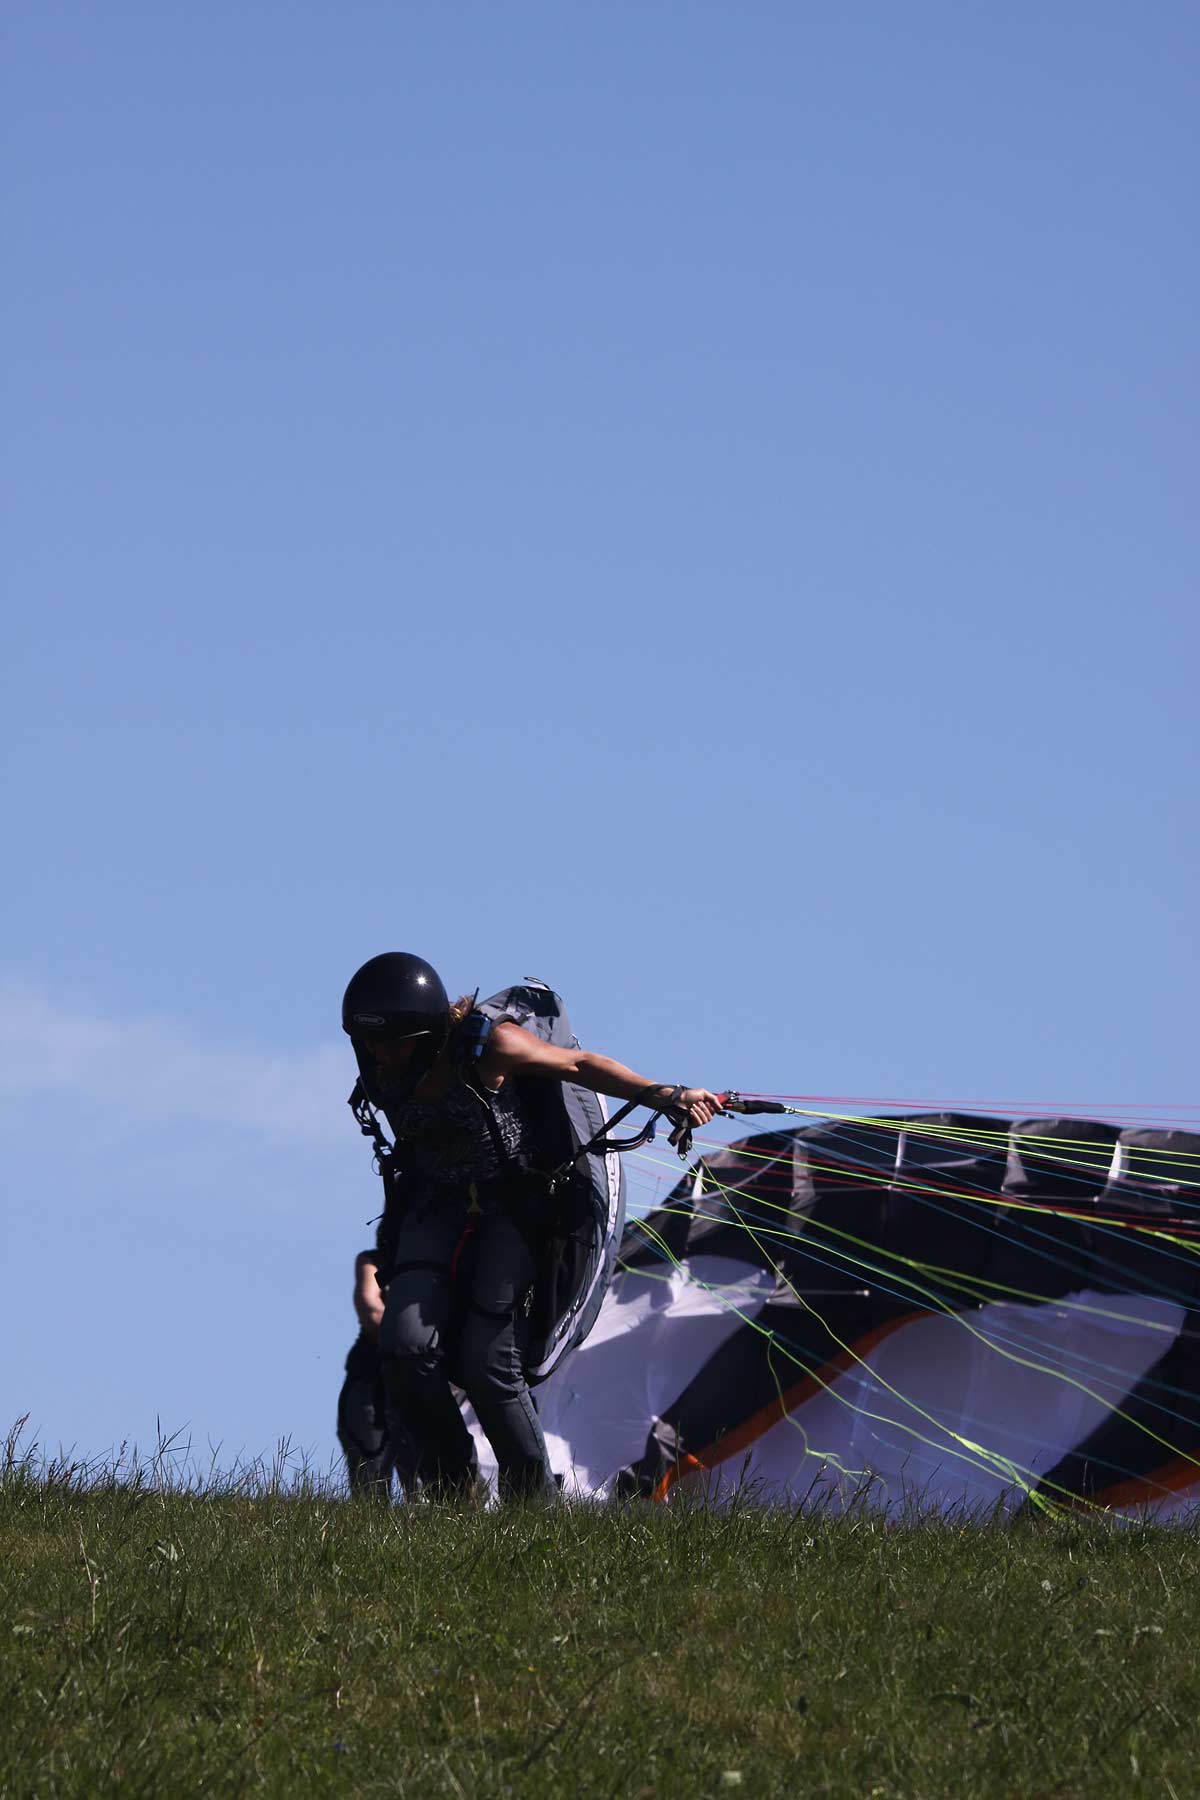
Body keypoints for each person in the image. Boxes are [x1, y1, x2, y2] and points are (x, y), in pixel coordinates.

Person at [342, 951, 722, 1501]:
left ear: (427, 1035)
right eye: (370, 1043)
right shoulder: (381, 1064)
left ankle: (532, 1504)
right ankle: (454, 1494)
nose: (381, 1055)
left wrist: (668, 1095)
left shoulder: (488, 1046)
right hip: (435, 1206)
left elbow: (579, 1065)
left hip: (511, 1209)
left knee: (488, 1362)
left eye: (394, 1043)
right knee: (404, 1347)